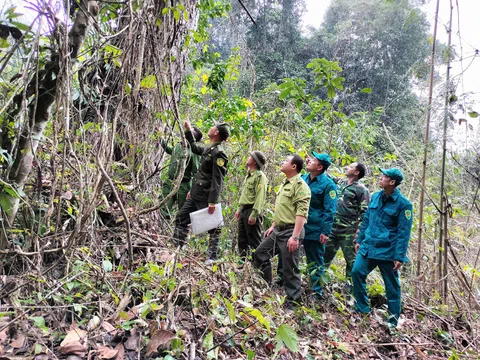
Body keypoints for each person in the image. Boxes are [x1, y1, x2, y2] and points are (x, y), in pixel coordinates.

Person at [352, 167, 413, 328]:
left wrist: (399, 256)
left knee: (392, 287)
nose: (380, 178)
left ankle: (392, 321)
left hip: (388, 251)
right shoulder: (376, 196)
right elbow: (367, 219)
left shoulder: (404, 205)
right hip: (369, 246)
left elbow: (403, 232)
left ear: (392, 182)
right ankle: (362, 309)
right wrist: (360, 238)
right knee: (357, 272)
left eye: (383, 177)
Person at [254, 154, 311, 307]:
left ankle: (293, 303)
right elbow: (282, 208)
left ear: (293, 166)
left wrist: (295, 237)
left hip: (291, 232)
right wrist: (273, 225)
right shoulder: (285, 184)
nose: (282, 161)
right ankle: (266, 288)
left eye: (286, 160)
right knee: (260, 254)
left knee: (290, 269)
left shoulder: (300, 185)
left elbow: (301, 213)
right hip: (278, 230)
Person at [171, 121, 229, 264]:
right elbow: (195, 147)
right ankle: (177, 247)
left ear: (216, 133)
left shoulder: (219, 153)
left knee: (214, 228)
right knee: (181, 217)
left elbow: (218, 179)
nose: (210, 128)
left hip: (206, 195)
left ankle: (212, 257)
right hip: (195, 193)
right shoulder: (209, 148)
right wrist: (188, 131)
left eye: (212, 127)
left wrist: (213, 201)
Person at [324, 162, 370, 291]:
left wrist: (359, 234)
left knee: (352, 262)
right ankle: (317, 286)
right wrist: (316, 162)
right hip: (333, 229)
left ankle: (351, 291)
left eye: (350, 167)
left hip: (349, 231)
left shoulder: (362, 190)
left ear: (356, 172)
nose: (346, 167)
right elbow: (326, 175)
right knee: (324, 257)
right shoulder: (341, 183)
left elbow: (365, 213)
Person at [302, 152, 337, 299]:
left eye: (314, 160)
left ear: (320, 167)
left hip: (315, 228)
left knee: (315, 261)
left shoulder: (329, 185)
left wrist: (325, 231)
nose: (310, 160)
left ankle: (317, 292)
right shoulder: (303, 179)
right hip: (299, 225)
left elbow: (330, 210)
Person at [159, 127, 203, 218]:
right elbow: (171, 151)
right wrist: (160, 139)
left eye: (190, 131)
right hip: (170, 182)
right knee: (163, 208)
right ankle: (161, 227)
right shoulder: (179, 145)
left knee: (183, 213)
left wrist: (192, 190)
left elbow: (196, 172)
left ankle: (181, 231)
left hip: (183, 186)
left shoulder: (194, 152)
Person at [235, 151, 268, 263]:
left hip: (251, 211)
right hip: (244, 210)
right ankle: (242, 265)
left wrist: (254, 214)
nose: (248, 158)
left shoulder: (260, 177)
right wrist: (239, 209)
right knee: (242, 241)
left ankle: (257, 268)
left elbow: (260, 197)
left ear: (254, 161)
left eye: (250, 157)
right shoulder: (249, 175)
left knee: (254, 242)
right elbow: (245, 195)